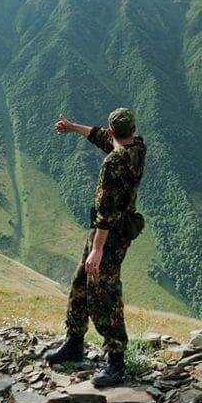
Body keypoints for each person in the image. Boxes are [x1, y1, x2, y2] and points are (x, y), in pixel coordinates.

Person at [45, 107, 146, 387]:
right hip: (113, 231)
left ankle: (116, 362)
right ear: (133, 130)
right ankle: (74, 342)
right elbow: (103, 137)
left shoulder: (114, 163)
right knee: (80, 283)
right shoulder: (137, 148)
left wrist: (97, 249)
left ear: (114, 131)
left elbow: (105, 210)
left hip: (109, 236)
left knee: (105, 293)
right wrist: (73, 126)